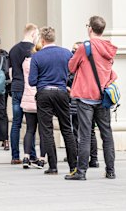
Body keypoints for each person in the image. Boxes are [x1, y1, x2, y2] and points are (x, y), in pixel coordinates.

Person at [65, 16, 117, 181]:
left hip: (86, 96)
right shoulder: (109, 47)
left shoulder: (85, 47)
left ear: (90, 29)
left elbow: (71, 67)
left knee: (85, 134)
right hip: (103, 97)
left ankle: (81, 172)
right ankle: (110, 171)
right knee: (106, 134)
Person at [29, 26, 77, 175]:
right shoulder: (66, 53)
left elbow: (31, 81)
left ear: (42, 40)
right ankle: (73, 166)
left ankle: (53, 166)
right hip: (62, 92)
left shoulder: (37, 56)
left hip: (44, 93)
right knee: (66, 129)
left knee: (46, 130)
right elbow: (73, 72)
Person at [9, 23, 40, 164]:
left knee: (16, 123)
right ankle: (31, 154)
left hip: (16, 87)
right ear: (33, 34)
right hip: (28, 89)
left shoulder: (14, 49)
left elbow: (10, 71)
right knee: (31, 124)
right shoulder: (33, 50)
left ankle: (15, 156)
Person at [66, 41, 99, 168]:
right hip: (80, 100)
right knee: (86, 131)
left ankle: (89, 157)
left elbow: (69, 77)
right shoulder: (88, 63)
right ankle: (91, 157)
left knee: (84, 131)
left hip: (78, 99)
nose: (74, 51)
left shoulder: (77, 64)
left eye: (76, 49)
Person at [21, 41, 47, 169]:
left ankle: (26, 157)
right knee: (43, 131)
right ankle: (42, 159)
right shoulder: (42, 62)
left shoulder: (25, 62)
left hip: (27, 97)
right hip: (41, 97)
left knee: (30, 130)